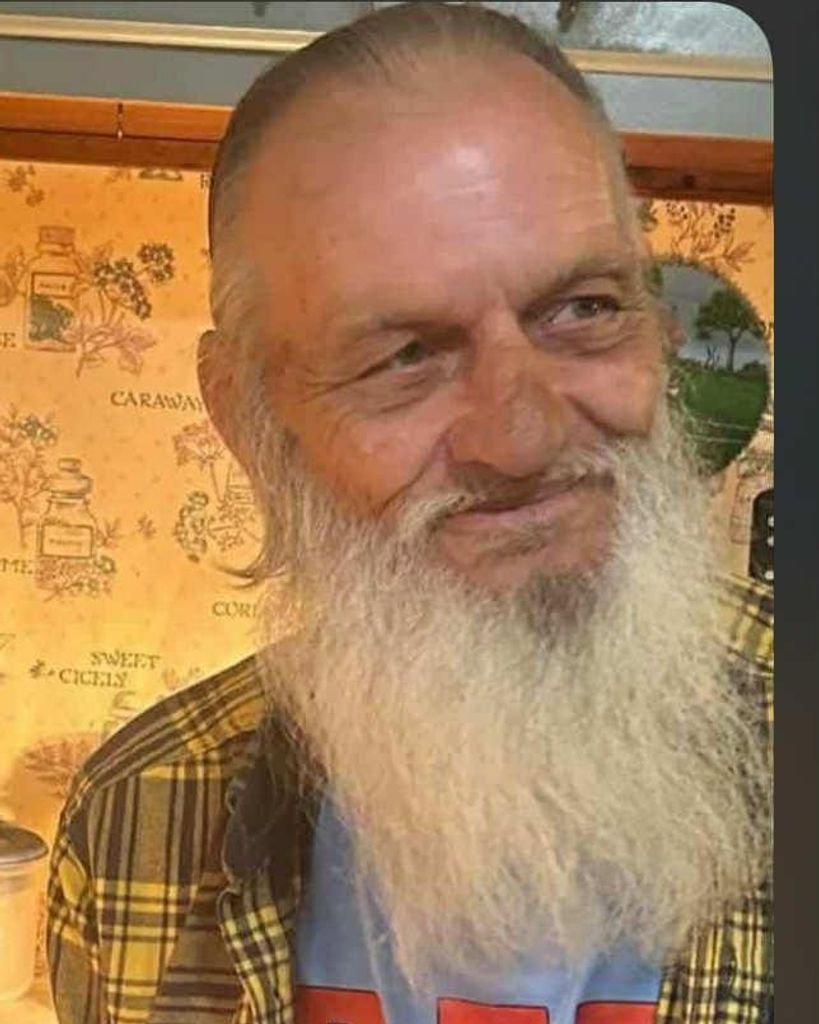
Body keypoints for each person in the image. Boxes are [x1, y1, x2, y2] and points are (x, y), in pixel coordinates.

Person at [46, 4, 772, 1023]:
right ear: (249, 418)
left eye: (584, 308)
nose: (521, 438)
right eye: (404, 357)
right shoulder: (141, 818)